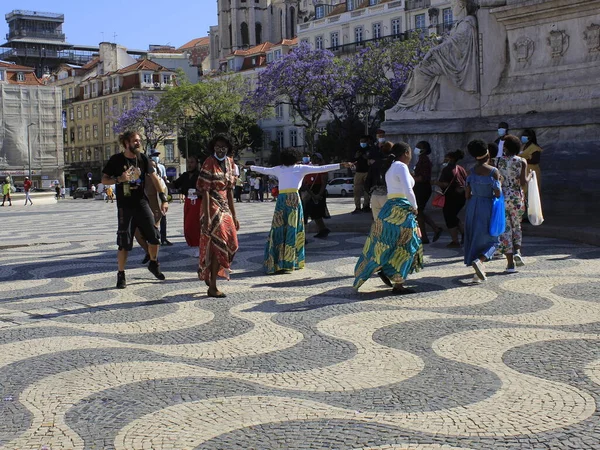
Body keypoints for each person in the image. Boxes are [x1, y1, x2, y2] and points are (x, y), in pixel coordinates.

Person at [249, 148, 350, 274]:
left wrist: (250, 167)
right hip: (294, 199)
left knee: (279, 228)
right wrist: (340, 165)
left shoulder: (279, 168)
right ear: (296, 157)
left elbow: (263, 170)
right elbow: (322, 168)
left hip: (281, 200)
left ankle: (277, 260)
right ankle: (291, 260)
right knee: (293, 228)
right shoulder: (301, 168)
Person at [354, 142, 424, 295]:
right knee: (407, 245)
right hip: (402, 208)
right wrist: (415, 206)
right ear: (406, 153)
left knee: (391, 242)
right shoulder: (401, 166)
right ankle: (397, 282)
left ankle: (387, 271)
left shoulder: (390, 167)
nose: (411, 156)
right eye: (410, 152)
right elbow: (408, 189)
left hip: (390, 206)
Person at [101, 131, 168, 289]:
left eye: (139, 141)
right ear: (126, 143)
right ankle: (121, 274)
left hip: (141, 203)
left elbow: (155, 178)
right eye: (135, 141)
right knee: (124, 243)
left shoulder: (143, 159)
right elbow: (104, 179)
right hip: (125, 206)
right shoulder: (116, 160)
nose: (138, 143)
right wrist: (119, 179)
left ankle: (153, 263)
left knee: (154, 237)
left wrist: (164, 199)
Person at [197, 136, 239, 298]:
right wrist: (207, 217)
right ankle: (213, 286)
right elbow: (205, 191)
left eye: (223, 146)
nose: (220, 149)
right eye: (217, 146)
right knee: (216, 244)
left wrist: (234, 216)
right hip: (212, 207)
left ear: (228, 148)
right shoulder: (209, 162)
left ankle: (210, 274)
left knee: (231, 242)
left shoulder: (230, 162)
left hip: (225, 207)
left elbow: (230, 190)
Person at [464, 139, 502, 282]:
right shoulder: (493, 171)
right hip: (488, 205)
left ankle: (477, 274)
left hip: (473, 206)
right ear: (488, 154)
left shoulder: (471, 171)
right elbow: (497, 193)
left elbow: (467, 195)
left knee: (475, 238)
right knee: (493, 239)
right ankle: (480, 261)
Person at [493, 135, 531, 272]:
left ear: (505, 147)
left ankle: (509, 264)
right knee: (517, 225)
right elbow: (523, 182)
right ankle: (518, 252)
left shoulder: (496, 161)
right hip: (517, 196)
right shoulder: (522, 161)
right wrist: (530, 176)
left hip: (503, 197)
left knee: (505, 229)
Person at [433, 150, 468, 248]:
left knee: (449, 218)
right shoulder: (460, 168)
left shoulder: (447, 169)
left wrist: (435, 182)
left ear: (451, 158)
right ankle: (464, 233)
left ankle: (455, 241)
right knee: (453, 216)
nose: (444, 159)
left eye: (446, 157)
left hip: (451, 197)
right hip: (461, 197)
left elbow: (445, 184)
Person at [413, 141, 443, 244]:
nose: (416, 148)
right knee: (419, 212)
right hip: (420, 188)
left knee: (419, 212)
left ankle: (425, 236)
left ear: (424, 149)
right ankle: (434, 229)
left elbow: (422, 178)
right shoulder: (421, 160)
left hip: (422, 188)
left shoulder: (425, 161)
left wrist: (411, 176)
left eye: (419, 146)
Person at [172, 155, 202, 256]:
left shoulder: (200, 175)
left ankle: (199, 246)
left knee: (194, 224)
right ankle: (196, 245)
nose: (189, 164)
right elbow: (175, 184)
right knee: (187, 226)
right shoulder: (185, 175)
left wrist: (199, 193)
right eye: (188, 162)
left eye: (192, 162)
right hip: (188, 202)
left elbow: (206, 189)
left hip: (197, 202)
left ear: (196, 164)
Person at [301, 153, 333, 239]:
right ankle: (322, 229)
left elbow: (324, 182)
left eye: (316, 159)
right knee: (311, 213)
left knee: (313, 213)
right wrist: (312, 194)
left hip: (318, 191)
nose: (314, 160)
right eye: (313, 158)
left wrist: (318, 195)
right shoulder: (309, 168)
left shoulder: (322, 169)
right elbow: (305, 183)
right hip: (310, 192)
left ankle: (303, 236)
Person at [365, 141, 394, 220]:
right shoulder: (394, 164)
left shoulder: (375, 163)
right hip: (388, 195)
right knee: (390, 223)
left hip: (375, 195)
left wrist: (371, 192)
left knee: (378, 224)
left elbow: (367, 182)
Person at [150, 151, 172, 246]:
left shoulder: (161, 167)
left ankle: (163, 237)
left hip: (161, 192)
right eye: (154, 156)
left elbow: (164, 178)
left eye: (157, 156)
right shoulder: (149, 169)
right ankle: (155, 237)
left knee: (163, 216)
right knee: (154, 217)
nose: (156, 157)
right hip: (152, 194)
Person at [352, 136, 371, 214]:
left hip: (367, 171)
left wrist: (366, 157)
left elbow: (372, 159)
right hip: (358, 172)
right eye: (361, 141)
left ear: (366, 142)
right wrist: (356, 156)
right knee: (357, 190)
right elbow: (352, 159)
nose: (362, 143)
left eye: (364, 141)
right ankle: (357, 207)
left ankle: (366, 206)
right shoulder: (357, 149)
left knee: (367, 190)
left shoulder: (369, 149)